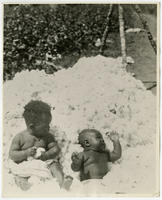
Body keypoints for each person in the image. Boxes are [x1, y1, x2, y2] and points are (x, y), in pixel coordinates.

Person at [9, 100, 72, 190]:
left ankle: (62, 182)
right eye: (46, 126)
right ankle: (26, 186)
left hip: (44, 162)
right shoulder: (20, 137)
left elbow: (55, 149)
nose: (49, 128)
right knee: (19, 175)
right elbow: (12, 155)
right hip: (26, 164)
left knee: (55, 165)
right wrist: (26, 153)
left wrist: (46, 155)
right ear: (32, 126)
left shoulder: (47, 136)